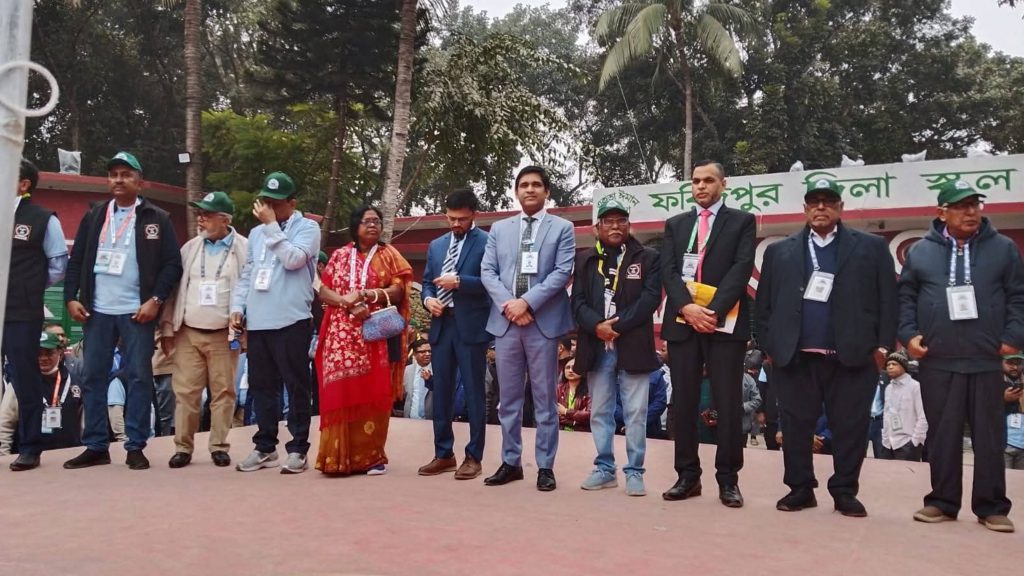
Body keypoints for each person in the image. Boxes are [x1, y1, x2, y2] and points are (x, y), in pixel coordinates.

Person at [755, 177, 897, 517]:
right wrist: (768, 346)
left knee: (850, 427)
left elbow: (888, 301)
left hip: (852, 356)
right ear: (804, 209)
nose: (821, 207)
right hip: (795, 358)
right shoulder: (780, 251)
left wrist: (882, 347)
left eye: (828, 201)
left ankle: (845, 490)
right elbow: (763, 307)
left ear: (840, 208)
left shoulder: (870, 247)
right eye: (814, 202)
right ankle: (800, 489)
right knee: (795, 426)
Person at [899, 180, 1024, 533]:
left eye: (974, 205)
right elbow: (906, 297)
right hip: (938, 358)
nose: (970, 212)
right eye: (961, 206)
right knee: (942, 434)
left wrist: (1014, 336)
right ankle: (942, 501)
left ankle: (992, 506)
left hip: (986, 357)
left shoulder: (1003, 248)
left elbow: (1018, 296)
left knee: (989, 436)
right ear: (942, 212)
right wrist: (909, 336)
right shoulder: (921, 251)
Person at [63, 152, 183, 470]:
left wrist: (155, 300)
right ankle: (96, 445)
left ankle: (135, 445)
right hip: (97, 311)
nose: (118, 179)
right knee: (92, 376)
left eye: (126, 174)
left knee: (140, 378)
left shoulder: (157, 217)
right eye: (114, 174)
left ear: (139, 182)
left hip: (136, 311)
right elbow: (76, 261)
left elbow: (173, 264)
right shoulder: (95, 215)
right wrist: (70, 298)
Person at [661, 160, 755, 507]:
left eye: (709, 180)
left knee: (728, 402)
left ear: (723, 184)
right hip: (683, 323)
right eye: (696, 181)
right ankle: (687, 476)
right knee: (683, 401)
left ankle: (728, 479)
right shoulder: (676, 224)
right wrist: (687, 307)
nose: (701, 186)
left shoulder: (742, 222)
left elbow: (741, 269)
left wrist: (712, 311)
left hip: (723, 324)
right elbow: (668, 271)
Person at [481, 165, 575, 492]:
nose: (530, 190)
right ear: (516, 191)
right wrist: (511, 304)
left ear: (547, 191)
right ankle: (511, 462)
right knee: (508, 400)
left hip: (543, 323)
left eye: (536, 185)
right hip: (506, 323)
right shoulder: (500, 229)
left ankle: (545, 466)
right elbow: (488, 271)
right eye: (524, 185)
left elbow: (562, 272)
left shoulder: (562, 228)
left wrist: (528, 303)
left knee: (544, 398)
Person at [230, 172, 320, 474]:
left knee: (296, 386)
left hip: (291, 318)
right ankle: (265, 446)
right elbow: (249, 273)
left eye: (275, 203)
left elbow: (294, 259)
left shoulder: (308, 228)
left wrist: (271, 226)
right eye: (265, 201)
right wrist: (237, 307)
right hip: (259, 321)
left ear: (291, 203)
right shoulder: (256, 235)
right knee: (261, 386)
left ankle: (298, 449)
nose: (268, 207)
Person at [571, 198, 661, 496]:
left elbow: (649, 300)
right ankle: (605, 468)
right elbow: (578, 303)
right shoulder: (584, 259)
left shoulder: (647, 257)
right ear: (597, 227)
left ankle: (635, 471)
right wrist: (598, 326)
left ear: (629, 225)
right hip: (597, 347)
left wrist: (615, 327)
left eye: (621, 220)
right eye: (608, 221)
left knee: (635, 412)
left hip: (632, 345)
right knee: (601, 412)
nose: (615, 226)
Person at [315, 205, 413, 476]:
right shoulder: (339, 256)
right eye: (367, 221)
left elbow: (399, 289)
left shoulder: (388, 254)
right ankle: (336, 458)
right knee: (341, 391)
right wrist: (346, 303)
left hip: (375, 335)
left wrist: (370, 295)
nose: (373, 225)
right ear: (355, 226)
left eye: (377, 221)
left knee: (374, 390)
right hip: (341, 336)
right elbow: (323, 289)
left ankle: (371, 457)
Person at [159, 191, 248, 468]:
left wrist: (246, 328)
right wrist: (166, 327)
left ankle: (219, 446)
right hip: (189, 331)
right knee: (186, 392)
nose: (201, 219)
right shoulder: (189, 248)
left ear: (225, 220)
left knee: (223, 392)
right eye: (200, 214)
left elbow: (250, 289)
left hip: (225, 333)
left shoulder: (244, 248)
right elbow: (175, 289)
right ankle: (183, 447)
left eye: (207, 215)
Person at [418, 188, 490, 480]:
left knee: (474, 393)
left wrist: (460, 281)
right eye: (450, 218)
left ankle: (474, 457)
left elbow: (491, 282)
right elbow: (425, 282)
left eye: (461, 218)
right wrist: (427, 300)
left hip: (471, 326)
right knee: (441, 391)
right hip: (441, 325)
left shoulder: (487, 242)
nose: (455, 224)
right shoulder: (436, 245)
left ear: (474, 215)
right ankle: (443, 454)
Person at [3, 159, 69, 470]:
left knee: (24, 376)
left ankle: (30, 447)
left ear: (24, 184)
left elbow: (58, 264)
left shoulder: (43, 219)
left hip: (21, 309)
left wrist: (29, 286)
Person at [880, 352, 927, 461]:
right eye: (888, 365)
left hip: (907, 443)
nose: (890, 367)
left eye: (894, 364)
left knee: (906, 477)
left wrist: (915, 441)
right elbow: (887, 414)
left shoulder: (915, 386)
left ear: (903, 366)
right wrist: (885, 438)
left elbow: (923, 416)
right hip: (888, 444)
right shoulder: (888, 388)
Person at [556, 358, 591, 432]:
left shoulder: (590, 391)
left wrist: (565, 411)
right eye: (567, 368)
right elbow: (554, 414)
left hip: (582, 434)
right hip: (560, 432)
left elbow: (589, 416)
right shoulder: (557, 389)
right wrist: (575, 421)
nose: (570, 371)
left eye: (574, 367)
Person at [1003, 354, 1024, 470]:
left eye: (1018, 363)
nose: (1015, 367)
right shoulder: (993, 381)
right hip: (1004, 445)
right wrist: (1003, 399)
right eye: (1010, 363)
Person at [403, 340, 433, 420]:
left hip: (431, 420)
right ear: (415, 354)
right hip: (410, 419)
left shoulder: (438, 371)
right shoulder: (408, 370)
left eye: (429, 351)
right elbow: (405, 394)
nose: (427, 354)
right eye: (423, 351)